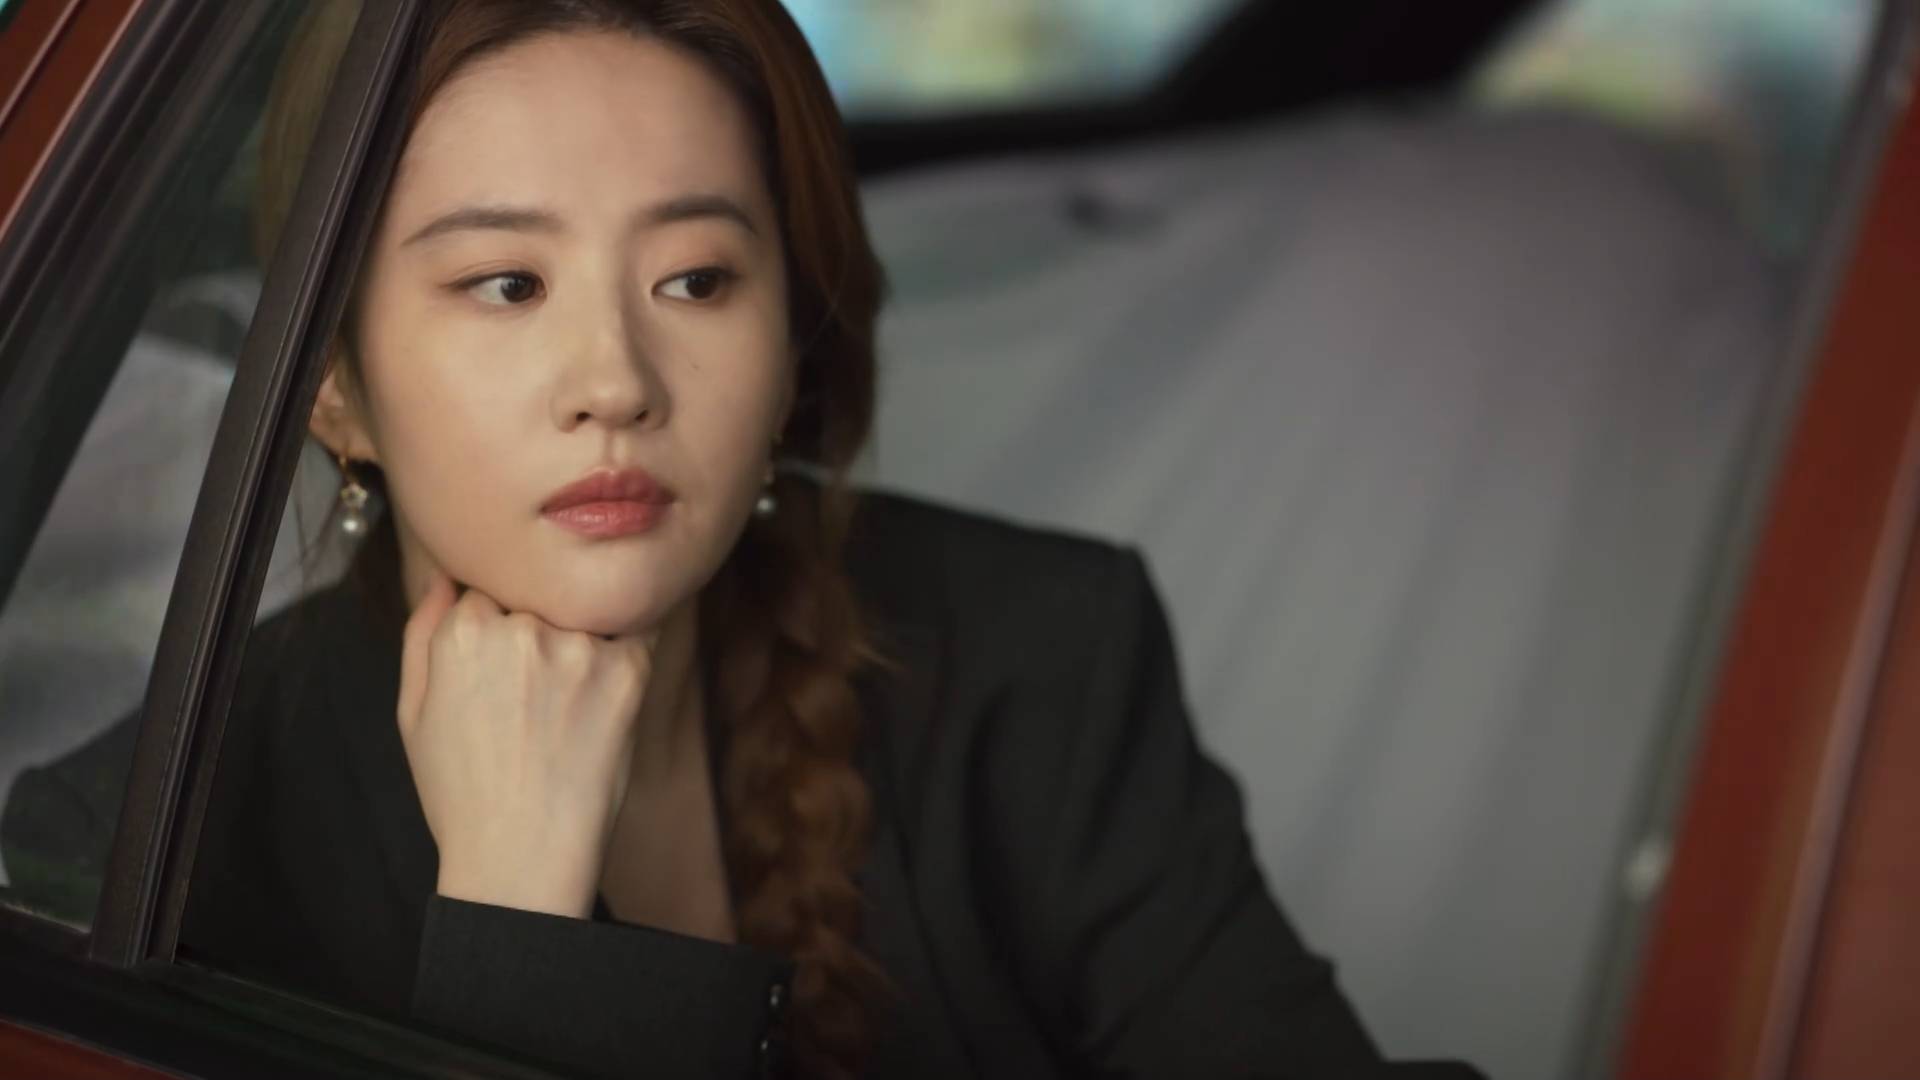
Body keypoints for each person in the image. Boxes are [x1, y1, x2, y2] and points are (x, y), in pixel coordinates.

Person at [2, 2, 1482, 1077]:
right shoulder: (119, 859)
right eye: (507, 284)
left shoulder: (1038, 651)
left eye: (698, 280)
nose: (616, 382)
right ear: (333, 387)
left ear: (790, 349)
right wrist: (514, 914)